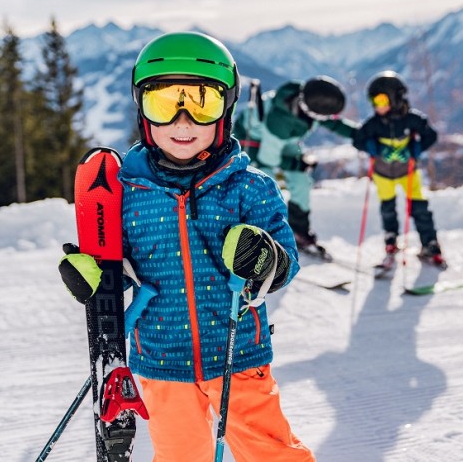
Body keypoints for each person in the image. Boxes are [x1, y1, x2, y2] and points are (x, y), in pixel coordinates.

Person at [59, 32, 315, 461]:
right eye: (163, 103)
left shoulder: (250, 189)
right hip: (160, 359)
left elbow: (285, 264)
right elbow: (116, 268)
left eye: (201, 103)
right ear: (143, 111)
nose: (182, 122)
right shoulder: (127, 193)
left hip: (237, 356)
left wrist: (263, 258)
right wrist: (96, 280)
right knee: (180, 455)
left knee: (271, 452)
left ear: (226, 110)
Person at [233, 76, 357, 257]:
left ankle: (299, 232)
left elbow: (331, 122)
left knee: (301, 182)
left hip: (284, 141)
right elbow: (268, 159)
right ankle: (261, 235)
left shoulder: (306, 102)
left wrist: (360, 135)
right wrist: (297, 163)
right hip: (253, 144)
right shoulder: (280, 120)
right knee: (265, 185)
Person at [352, 71, 445, 272]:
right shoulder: (374, 123)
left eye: (381, 100)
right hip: (382, 173)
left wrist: (415, 150)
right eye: (373, 101)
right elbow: (357, 139)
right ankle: (391, 239)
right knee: (388, 207)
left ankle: (430, 243)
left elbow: (431, 135)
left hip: (408, 172)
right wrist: (373, 148)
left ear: (395, 98)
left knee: (419, 206)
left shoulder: (412, 120)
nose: (377, 106)